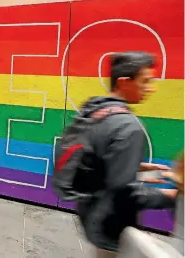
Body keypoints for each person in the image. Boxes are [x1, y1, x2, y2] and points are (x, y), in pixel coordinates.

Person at [75, 51, 176, 257]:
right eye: (145, 81)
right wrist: (169, 196)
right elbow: (123, 193)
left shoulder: (92, 110)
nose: (151, 88)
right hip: (112, 223)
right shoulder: (129, 127)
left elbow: (97, 160)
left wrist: (137, 168)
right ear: (123, 82)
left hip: (90, 212)